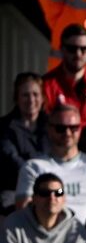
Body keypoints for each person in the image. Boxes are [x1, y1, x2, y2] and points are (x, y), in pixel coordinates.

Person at [15, 104, 86, 223]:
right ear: (49, 129)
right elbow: (23, 212)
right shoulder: (33, 167)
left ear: (80, 129)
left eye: (73, 128)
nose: (67, 133)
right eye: (60, 128)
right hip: (51, 239)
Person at [42, 24, 86, 128]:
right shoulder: (46, 84)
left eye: (84, 49)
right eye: (72, 49)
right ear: (62, 49)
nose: (78, 54)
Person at [1, 173, 86, 243]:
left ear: (64, 198)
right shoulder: (12, 224)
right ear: (34, 198)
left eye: (58, 192)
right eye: (44, 193)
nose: (52, 198)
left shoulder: (76, 229)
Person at [1, 73, 49, 214]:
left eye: (35, 94)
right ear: (16, 98)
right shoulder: (4, 127)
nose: (31, 100)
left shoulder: (53, 125)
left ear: (42, 98)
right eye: (25, 95)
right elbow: (12, 159)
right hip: (13, 188)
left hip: (48, 184)